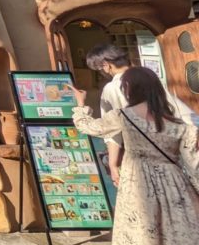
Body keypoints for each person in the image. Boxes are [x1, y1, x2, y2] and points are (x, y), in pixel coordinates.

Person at [70, 66, 199, 245]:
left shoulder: (124, 116)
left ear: (129, 89)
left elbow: (89, 127)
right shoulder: (176, 123)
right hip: (175, 189)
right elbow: (193, 163)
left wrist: (80, 104)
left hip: (139, 188)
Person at [84, 43, 197, 187]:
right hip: (176, 154)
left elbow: (112, 133)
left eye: (99, 69)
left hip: (144, 162)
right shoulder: (149, 79)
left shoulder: (112, 88)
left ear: (106, 65)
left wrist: (112, 164)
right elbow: (182, 113)